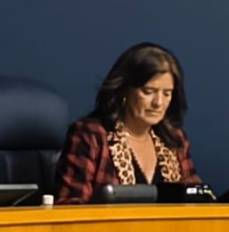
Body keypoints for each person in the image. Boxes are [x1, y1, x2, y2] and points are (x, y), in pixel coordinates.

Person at [55, 43, 201, 204]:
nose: (158, 103)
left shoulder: (175, 139)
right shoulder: (92, 135)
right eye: (148, 91)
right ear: (124, 90)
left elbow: (195, 201)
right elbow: (71, 207)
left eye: (167, 94)